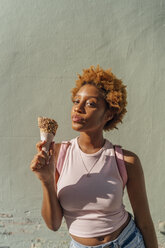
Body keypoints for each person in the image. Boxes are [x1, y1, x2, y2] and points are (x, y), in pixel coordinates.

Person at [30, 66, 158, 248]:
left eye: (90, 104)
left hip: (127, 243)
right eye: (76, 101)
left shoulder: (126, 160)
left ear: (109, 114)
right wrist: (46, 180)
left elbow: (144, 222)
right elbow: (54, 225)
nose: (78, 109)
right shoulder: (57, 154)